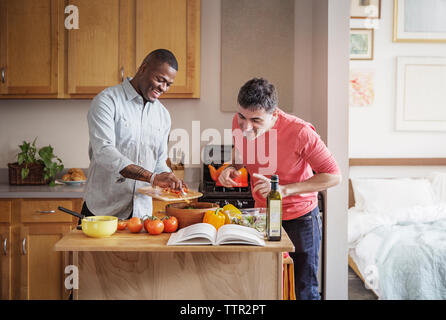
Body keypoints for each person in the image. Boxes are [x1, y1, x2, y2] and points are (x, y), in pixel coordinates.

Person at [218, 78, 341, 300]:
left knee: (302, 290)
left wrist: (284, 190)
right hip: (263, 217)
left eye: (256, 120)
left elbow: (333, 176)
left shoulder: (301, 132)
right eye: (242, 117)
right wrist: (231, 169)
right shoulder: (239, 124)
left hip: (300, 218)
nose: (246, 126)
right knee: (265, 285)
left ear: (274, 115)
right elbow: (239, 157)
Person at [82, 49, 185, 220]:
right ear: (143, 68)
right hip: (102, 211)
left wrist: (169, 178)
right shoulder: (107, 101)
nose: (163, 88)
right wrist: (152, 177)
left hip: (141, 215)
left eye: (168, 84)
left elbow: (158, 160)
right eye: (160, 80)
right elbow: (104, 152)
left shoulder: (163, 115)